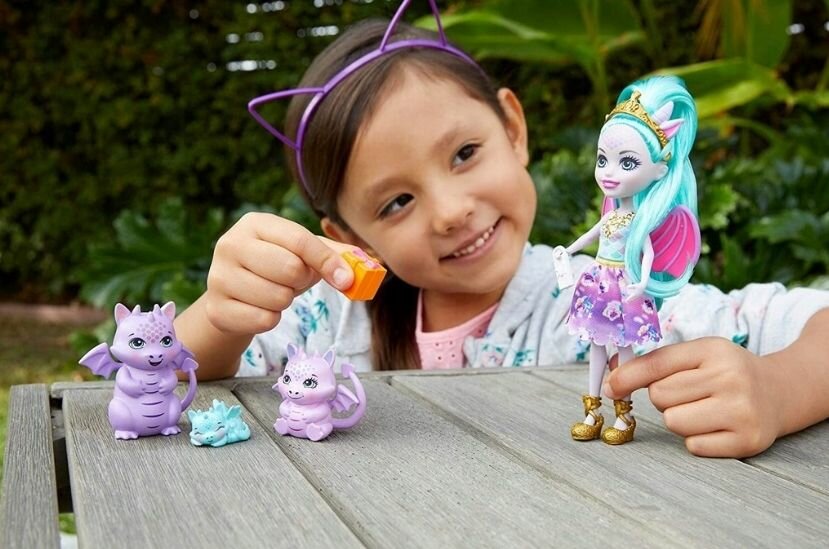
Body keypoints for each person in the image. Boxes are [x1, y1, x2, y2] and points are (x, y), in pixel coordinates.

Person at [175, 0, 829, 458]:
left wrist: (779, 390)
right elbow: (163, 382)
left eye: (464, 154)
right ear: (351, 240)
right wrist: (222, 316)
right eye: (397, 201)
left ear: (512, 129)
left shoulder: (604, 298)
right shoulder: (325, 320)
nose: (450, 211)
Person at [560, 76, 701, 446]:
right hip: (598, 281)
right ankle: (592, 411)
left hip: (624, 286)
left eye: (627, 163)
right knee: (595, 345)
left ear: (659, 171)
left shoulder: (640, 221)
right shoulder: (611, 214)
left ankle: (624, 416)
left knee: (624, 349)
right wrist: (569, 251)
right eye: (602, 160)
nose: (608, 172)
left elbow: (648, 251)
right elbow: (591, 236)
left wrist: (644, 281)